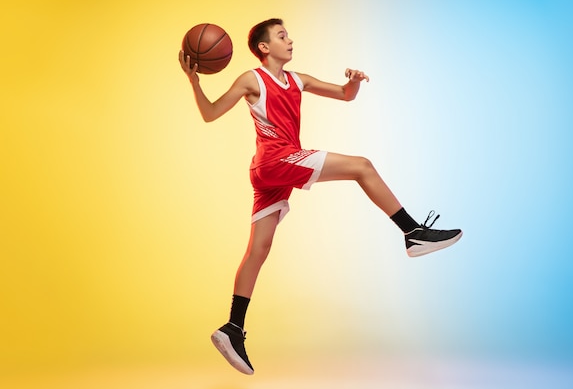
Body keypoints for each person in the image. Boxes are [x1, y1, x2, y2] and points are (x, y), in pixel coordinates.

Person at [178, 18, 462, 375]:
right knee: (363, 166)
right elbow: (210, 114)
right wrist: (194, 80)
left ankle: (232, 328)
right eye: (282, 36)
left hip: (271, 171)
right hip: (276, 158)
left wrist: (353, 83)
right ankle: (412, 232)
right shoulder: (252, 79)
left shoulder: (299, 80)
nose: (290, 39)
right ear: (264, 48)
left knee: (258, 250)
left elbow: (344, 95)